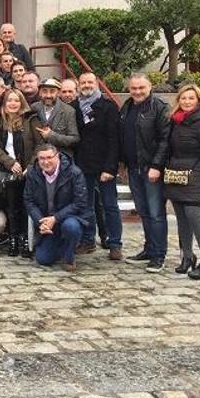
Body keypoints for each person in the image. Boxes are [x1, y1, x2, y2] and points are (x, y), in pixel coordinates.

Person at [164, 83, 200, 280]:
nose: (186, 101)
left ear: (199, 101)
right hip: (175, 175)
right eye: (183, 98)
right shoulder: (175, 121)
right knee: (181, 219)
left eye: (191, 98)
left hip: (196, 177)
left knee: (194, 217)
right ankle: (187, 257)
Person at [120, 73, 170, 273]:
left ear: (150, 87)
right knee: (144, 212)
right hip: (134, 168)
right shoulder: (127, 106)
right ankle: (149, 250)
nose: (137, 92)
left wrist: (157, 166)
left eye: (141, 88)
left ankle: (159, 255)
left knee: (156, 213)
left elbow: (165, 139)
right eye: (134, 88)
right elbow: (124, 136)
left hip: (151, 170)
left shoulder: (159, 107)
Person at [0, 88, 45, 257]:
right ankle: (13, 237)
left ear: (21, 103)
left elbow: (40, 145)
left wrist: (30, 165)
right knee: (11, 206)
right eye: (9, 101)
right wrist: (9, 162)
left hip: (29, 170)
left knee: (26, 206)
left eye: (16, 100)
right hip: (8, 171)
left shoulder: (31, 120)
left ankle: (25, 238)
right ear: (4, 104)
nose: (12, 104)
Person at [74, 72, 123, 259]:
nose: (86, 85)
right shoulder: (75, 107)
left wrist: (110, 167)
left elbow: (113, 138)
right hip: (83, 164)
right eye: (83, 82)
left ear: (97, 84)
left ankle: (115, 243)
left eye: (90, 82)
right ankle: (88, 240)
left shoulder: (108, 106)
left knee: (110, 205)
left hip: (104, 164)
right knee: (85, 205)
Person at [23, 144, 87, 271]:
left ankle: (69, 257)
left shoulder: (74, 172)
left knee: (71, 227)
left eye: (49, 157)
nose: (46, 162)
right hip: (46, 221)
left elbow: (80, 202)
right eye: (42, 158)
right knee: (43, 259)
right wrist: (40, 221)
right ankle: (63, 244)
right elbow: (29, 201)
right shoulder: (32, 173)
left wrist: (55, 218)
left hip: (68, 218)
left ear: (57, 156)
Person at [31, 78, 79, 158]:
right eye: (44, 91)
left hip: (61, 157)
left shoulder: (69, 111)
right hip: (38, 157)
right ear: (40, 92)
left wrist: (52, 136)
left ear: (58, 93)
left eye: (52, 91)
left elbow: (74, 139)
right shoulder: (34, 108)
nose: (48, 95)